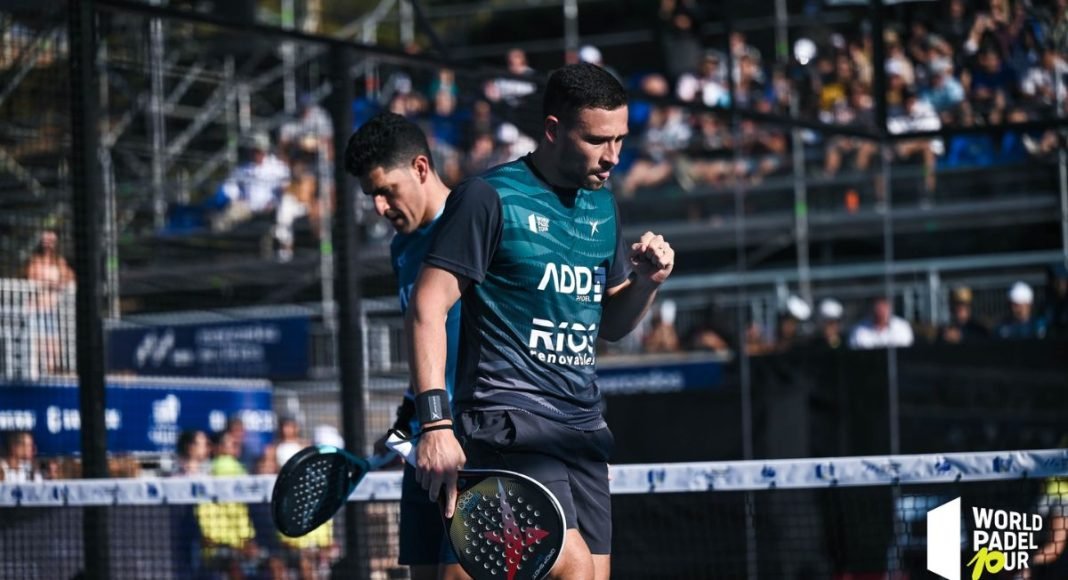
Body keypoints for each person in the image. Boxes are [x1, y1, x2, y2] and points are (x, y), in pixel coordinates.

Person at [407, 63, 675, 580]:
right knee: (569, 566)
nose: (613, 156)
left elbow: (611, 323)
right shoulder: (488, 197)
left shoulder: (602, 205)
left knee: (592, 576)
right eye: (598, 140)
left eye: (620, 139)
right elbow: (428, 306)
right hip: (510, 419)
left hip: (582, 427)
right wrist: (435, 423)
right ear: (552, 130)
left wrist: (646, 282)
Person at [343, 112, 466, 580]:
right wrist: (406, 416)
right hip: (423, 446)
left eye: (385, 190)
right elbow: (429, 344)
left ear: (420, 168)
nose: (378, 207)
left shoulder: (477, 222)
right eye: (370, 196)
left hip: (471, 439)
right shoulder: (401, 248)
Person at [848, 296, 914, 350]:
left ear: (890, 307)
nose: (881, 310)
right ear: (872, 308)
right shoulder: (858, 330)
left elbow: (907, 351)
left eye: (884, 305)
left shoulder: (903, 327)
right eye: (878, 306)